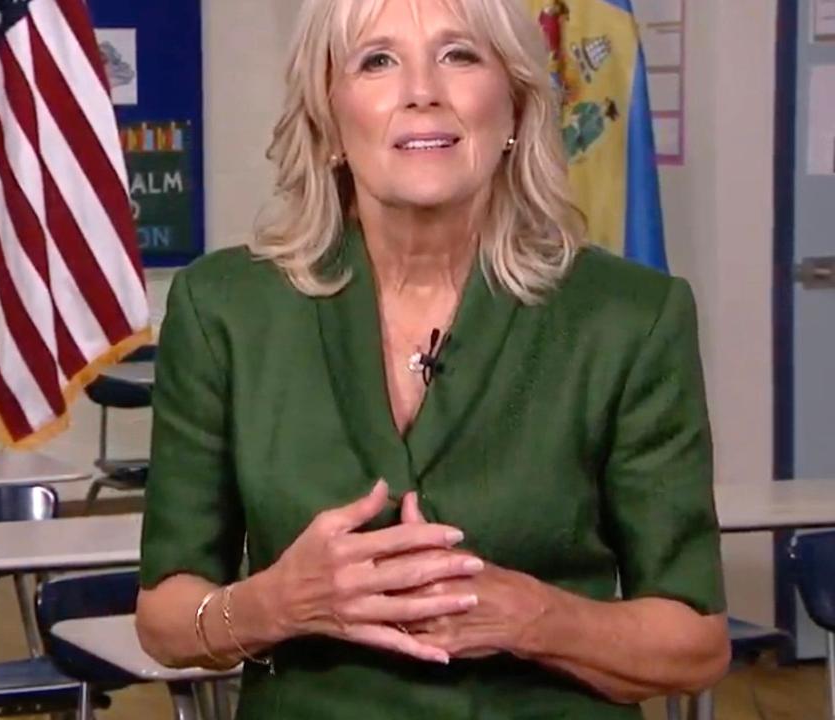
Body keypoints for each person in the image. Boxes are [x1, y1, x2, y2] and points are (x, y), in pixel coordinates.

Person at [133, 0, 730, 717]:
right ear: (327, 118)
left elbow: (696, 643)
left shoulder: (629, 317)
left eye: (460, 55)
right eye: (377, 60)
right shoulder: (223, 308)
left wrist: (534, 618)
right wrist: (275, 604)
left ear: (513, 106)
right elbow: (165, 621)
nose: (422, 90)